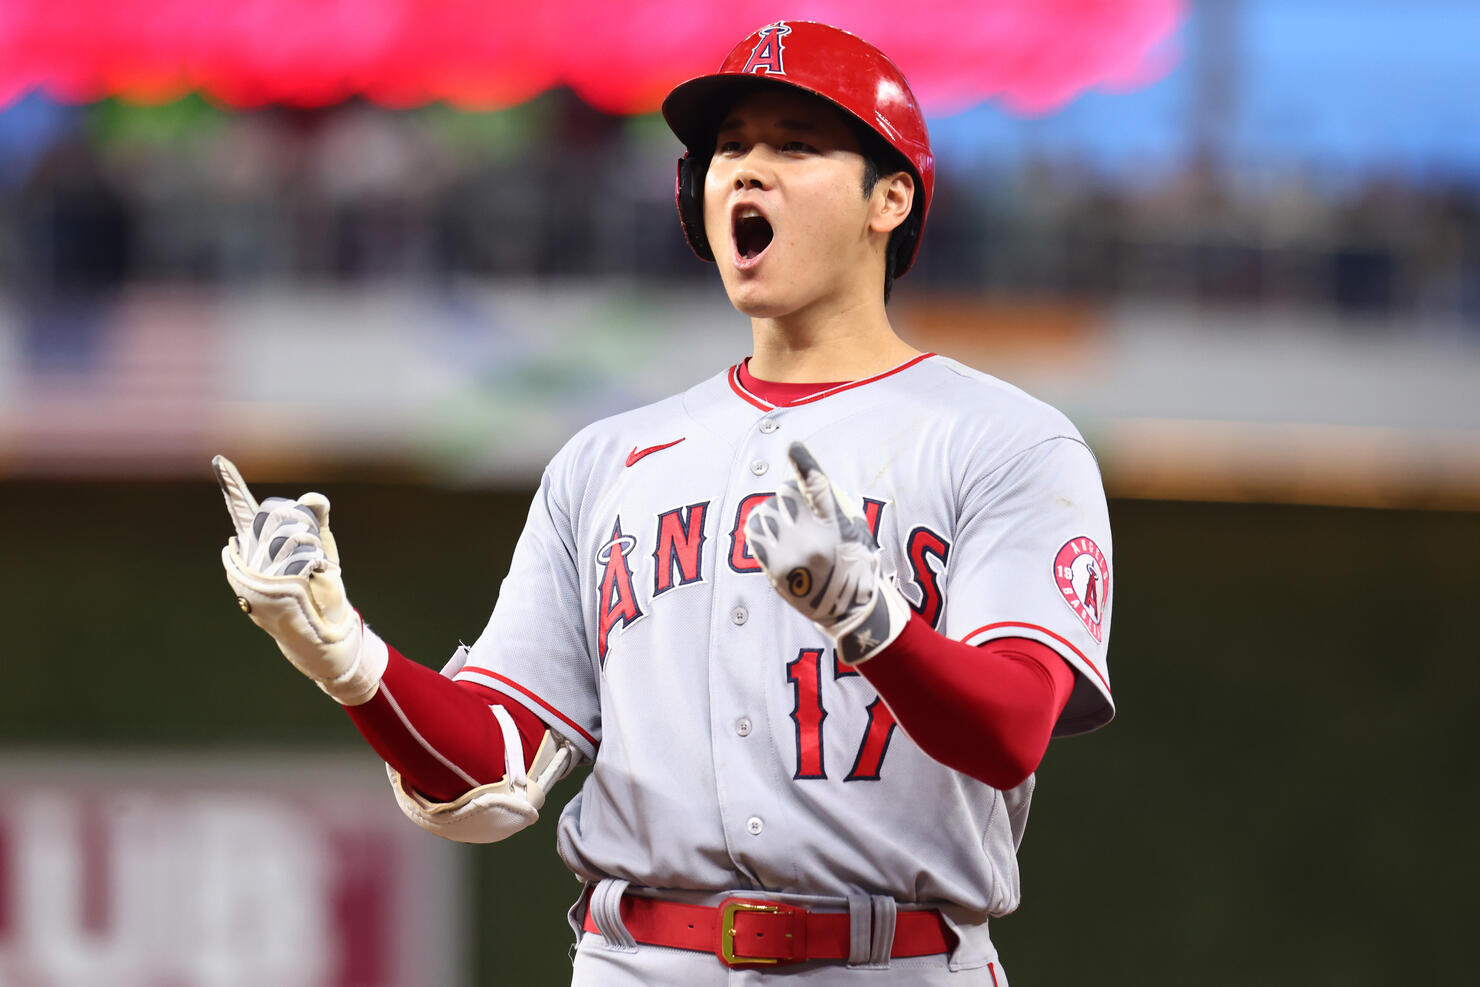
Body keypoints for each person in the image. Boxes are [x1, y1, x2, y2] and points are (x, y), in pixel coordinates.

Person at [214, 20, 1115, 985]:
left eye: (795, 145)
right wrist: (345, 655)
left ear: (889, 198)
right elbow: (493, 771)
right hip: (636, 962)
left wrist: (871, 618)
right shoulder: (607, 462)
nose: (749, 169)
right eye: (730, 148)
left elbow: (1012, 729)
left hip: (895, 962)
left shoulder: (1005, 440)